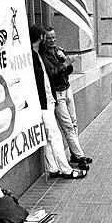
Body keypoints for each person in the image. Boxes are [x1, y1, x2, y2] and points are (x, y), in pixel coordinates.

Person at [29, 25, 87, 179]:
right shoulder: (33, 57)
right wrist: (65, 64)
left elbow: (58, 73)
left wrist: (65, 62)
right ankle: (66, 170)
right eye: (46, 37)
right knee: (55, 136)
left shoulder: (42, 53)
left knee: (49, 137)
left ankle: (53, 168)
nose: (50, 40)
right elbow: (50, 75)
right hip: (44, 102)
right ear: (40, 38)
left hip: (51, 98)